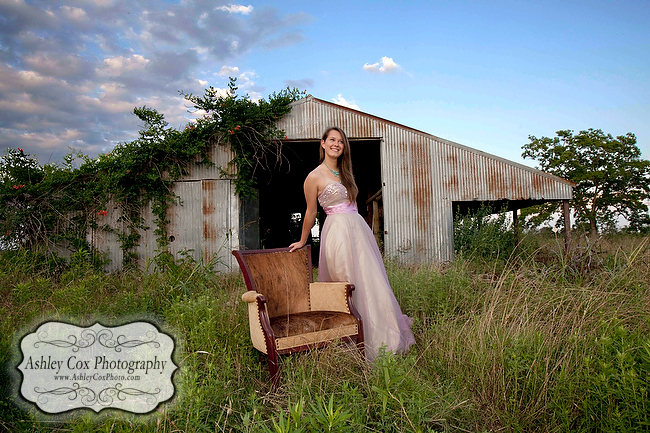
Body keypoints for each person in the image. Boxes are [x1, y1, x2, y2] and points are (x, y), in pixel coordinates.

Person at [289, 127, 415, 361]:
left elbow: (354, 205)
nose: (337, 144)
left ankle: (383, 336)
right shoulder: (314, 176)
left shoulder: (346, 173)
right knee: (347, 282)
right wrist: (303, 240)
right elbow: (310, 212)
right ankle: (350, 339)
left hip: (358, 230)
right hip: (336, 232)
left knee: (371, 279)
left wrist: (362, 232)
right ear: (323, 143)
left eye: (341, 141)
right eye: (332, 140)